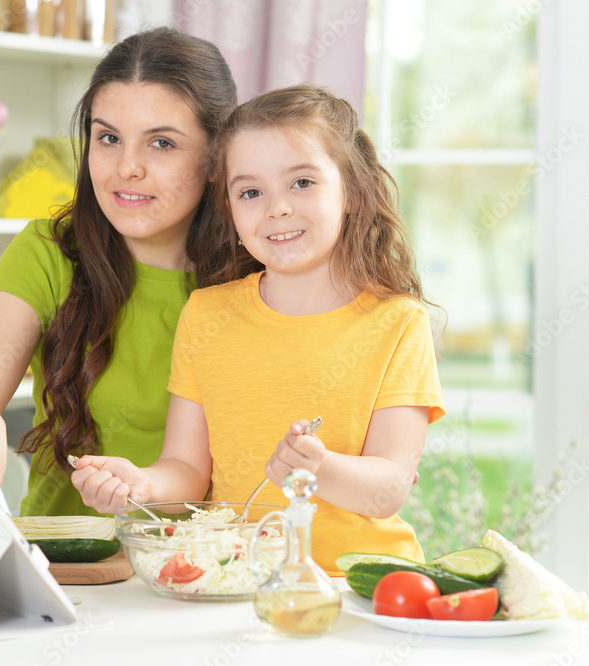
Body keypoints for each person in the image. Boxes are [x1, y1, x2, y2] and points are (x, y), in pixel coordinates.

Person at [71, 84, 446, 574]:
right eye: (251, 192)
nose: (277, 208)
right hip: (239, 582)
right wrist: (140, 485)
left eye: (302, 183)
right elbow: (187, 470)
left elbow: (388, 490)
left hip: (361, 588)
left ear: (351, 190)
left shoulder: (398, 322)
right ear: (230, 209)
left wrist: (318, 468)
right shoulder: (206, 314)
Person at [0, 27, 243, 517]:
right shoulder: (50, 253)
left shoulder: (257, 271)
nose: (126, 168)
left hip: (211, 570)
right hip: (66, 567)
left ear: (218, 157)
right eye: (108, 137)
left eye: (161, 143)